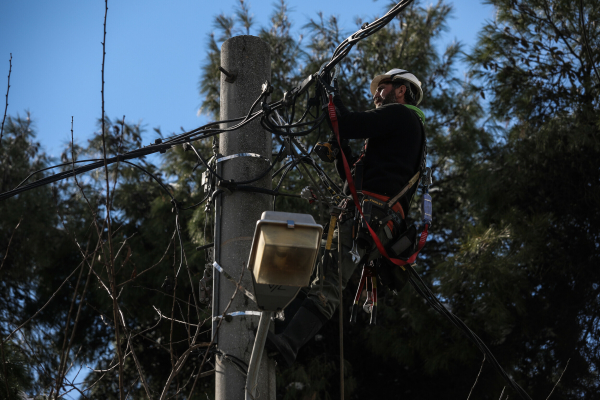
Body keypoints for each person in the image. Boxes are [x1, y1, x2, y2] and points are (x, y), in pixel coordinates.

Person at [266, 68, 426, 367]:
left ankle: (288, 342)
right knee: (313, 276)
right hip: (369, 214)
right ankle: (277, 331)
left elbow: (345, 122)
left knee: (327, 283)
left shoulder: (402, 116)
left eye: (383, 89)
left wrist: (330, 92)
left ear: (401, 90)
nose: (377, 95)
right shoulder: (401, 132)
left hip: (371, 216)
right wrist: (340, 152)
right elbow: (354, 176)